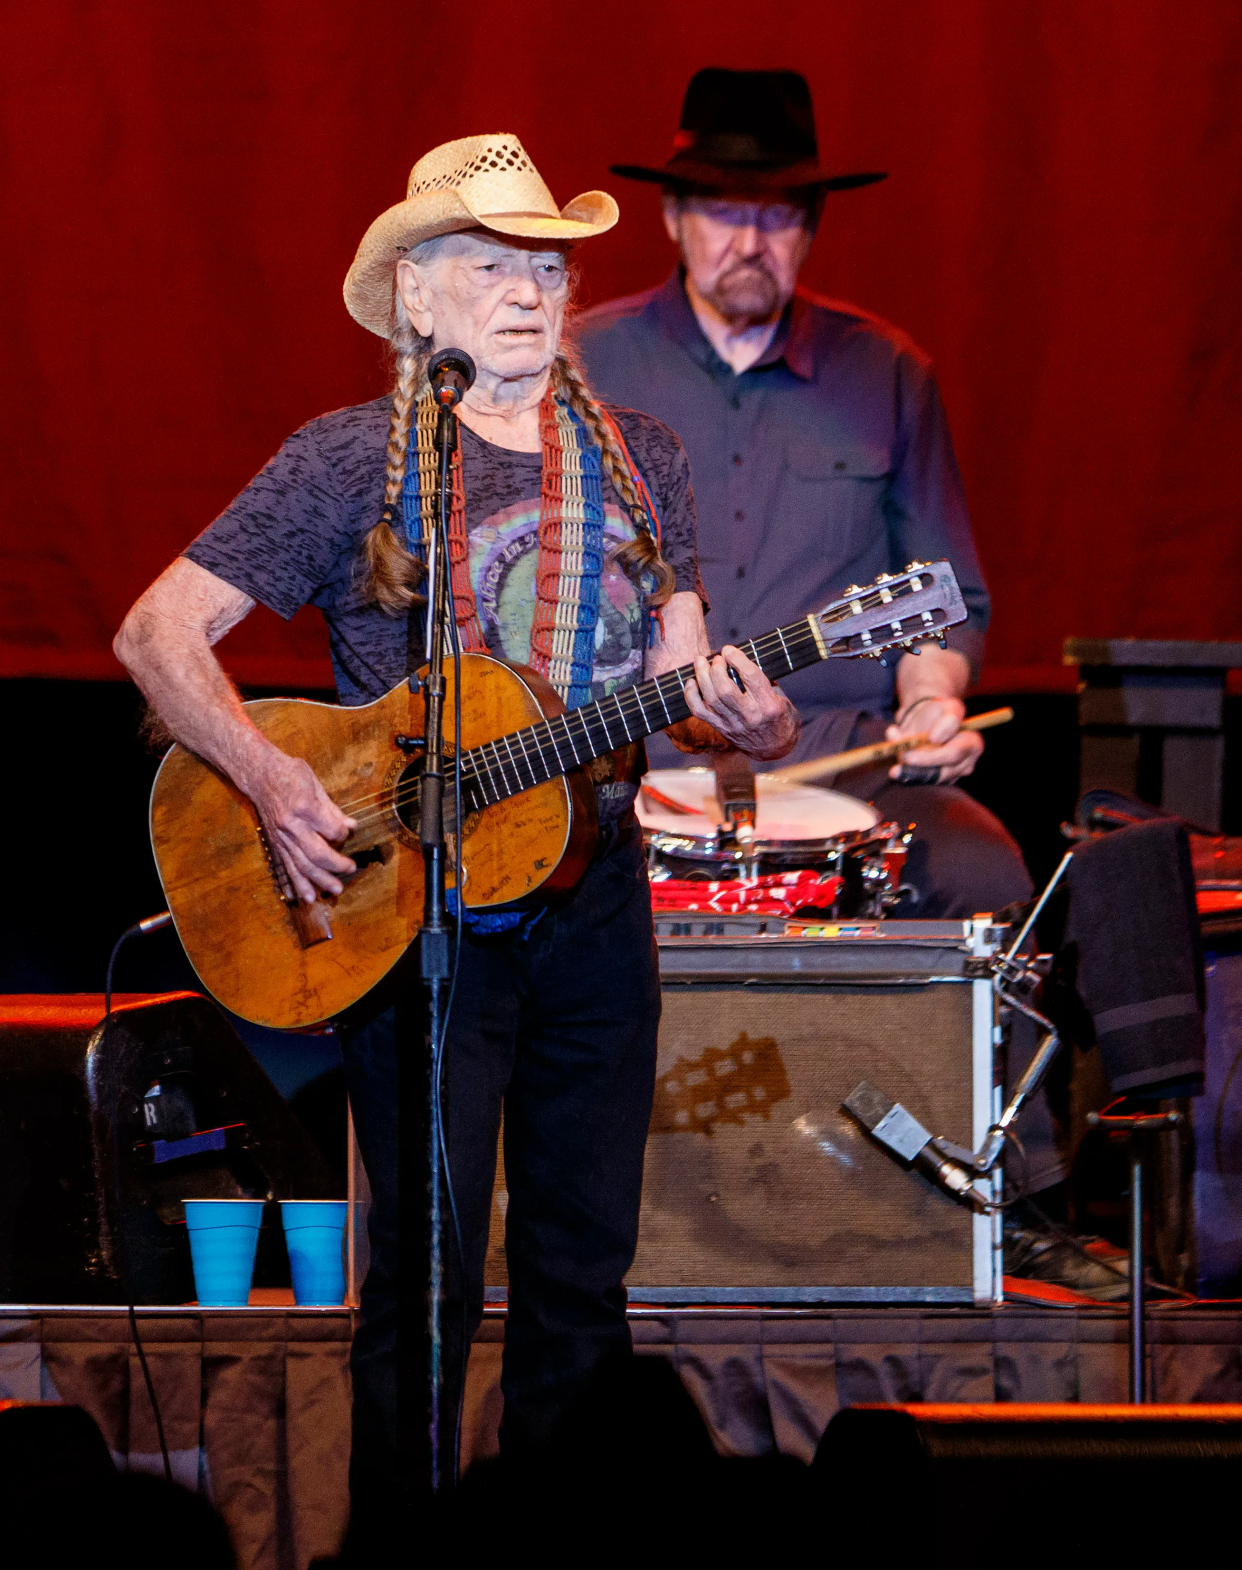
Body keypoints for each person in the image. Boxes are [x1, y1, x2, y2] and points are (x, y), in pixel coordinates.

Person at [113, 134, 798, 1535]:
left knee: (576, 1282)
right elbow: (154, 632)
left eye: (544, 264)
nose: (525, 289)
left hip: (594, 903)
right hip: (418, 920)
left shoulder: (641, 458)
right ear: (416, 300)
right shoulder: (345, 461)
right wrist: (268, 779)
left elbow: (696, 675)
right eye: (487, 264)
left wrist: (752, 717)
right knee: (418, 1291)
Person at [578, 68, 1033, 923]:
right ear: (673, 217)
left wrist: (930, 700)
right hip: (641, 757)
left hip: (842, 754)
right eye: (722, 209)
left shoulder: (888, 374)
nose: (749, 240)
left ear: (811, 227)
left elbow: (949, 596)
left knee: (987, 878)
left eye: (777, 213)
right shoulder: (589, 368)